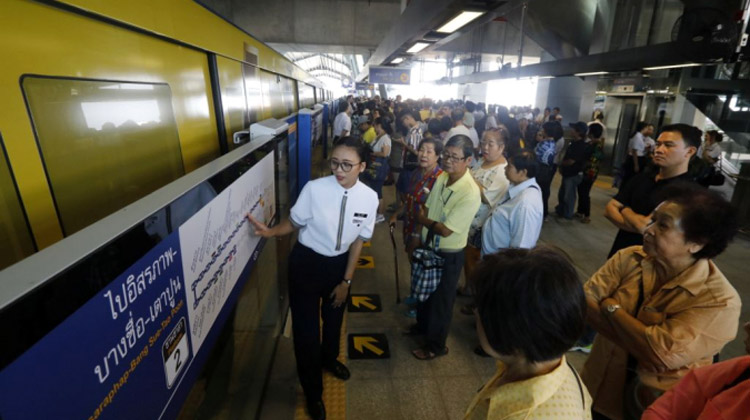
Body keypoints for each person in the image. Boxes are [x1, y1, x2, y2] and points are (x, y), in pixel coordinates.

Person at [581, 184, 741, 420]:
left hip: (654, 406)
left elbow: (662, 356)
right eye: (653, 220)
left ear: (696, 243)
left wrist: (610, 308)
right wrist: (642, 348)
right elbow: (583, 304)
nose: (649, 229)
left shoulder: (719, 302)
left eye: (663, 225)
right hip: (598, 388)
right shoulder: (629, 258)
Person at [247, 137, 378, 420]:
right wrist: (270, 232)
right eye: (334, 163)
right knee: (306, 334)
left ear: (362, 166)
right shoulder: (314, 189)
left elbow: (358, 243)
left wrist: (346, 282)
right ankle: (313, 392)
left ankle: (329, 360)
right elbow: (294, 224)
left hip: (339, 267)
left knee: (333, 322)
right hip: (306, 264)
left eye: (347, 165)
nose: (338, 170)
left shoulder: (370, 197)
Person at [464, 247, 592, 420]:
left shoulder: (527, 415)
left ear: (511, 333)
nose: (476, 312)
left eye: (480, 309)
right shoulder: (548, 366)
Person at [408, 135, 481, 360]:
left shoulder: (469, 192)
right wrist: (419, 235)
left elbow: (445, 230)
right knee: (425, 293)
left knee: (441, 301)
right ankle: (421, 328)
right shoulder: (443, 177)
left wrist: (423, 222)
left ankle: (435, 346)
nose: (448, 161)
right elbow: (429, 208)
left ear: (468, 160)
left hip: (449, 255)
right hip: (430, 246)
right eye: (447, 155)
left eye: (455, 158)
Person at [605, 123, 701, 258]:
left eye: (668, 145)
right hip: (619, 256)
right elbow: (610, 209)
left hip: (651, 263)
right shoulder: (642, 179)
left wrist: (625, 209)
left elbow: (645, 226)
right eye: (658, 144)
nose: (659, 150)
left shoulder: (688, 193)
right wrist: (639, 224)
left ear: (690, 151)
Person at [642, 322, 750, 420]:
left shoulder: (721, 304)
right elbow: (665, 409)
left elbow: (660, 356)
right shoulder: (742, 369)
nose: (746, 326)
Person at [462, 127, 511, 296]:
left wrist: (465, 174)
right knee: (467, 259)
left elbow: (484, 196)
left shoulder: (502, 171)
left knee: (475, 260)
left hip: (481, 224)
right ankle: (469, 287)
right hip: (468, 220)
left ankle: (475, 297)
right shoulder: (482, 162)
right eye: (483, 142)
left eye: (490, 144)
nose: (485, 147)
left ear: (501, 147)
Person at [480, 150, 543, 256]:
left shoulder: (526, 204)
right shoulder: (517, 186)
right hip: (491, 258)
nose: (505, 168)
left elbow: (522, 248)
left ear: (523, 172)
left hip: (500, 264)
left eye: (509, 166)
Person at [390, 138, 444, 254]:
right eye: (421, 150)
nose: (423, 154)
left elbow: (431, 211)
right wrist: (395, 215)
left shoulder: (440, 179)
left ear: (437, 156)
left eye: (429, 151)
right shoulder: (416, 172)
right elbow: (410, 200)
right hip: (409, 225)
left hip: (423, 233)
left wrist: (416, 235)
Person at [555, 122, 591, 220]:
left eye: (573, 129)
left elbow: (571, 161)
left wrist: (560, 163)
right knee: (563, 193)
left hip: (573, 174)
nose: (571, 130)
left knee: (568, 195)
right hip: (568, 173)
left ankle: (567, 214)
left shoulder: (580, 146)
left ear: (578, 132)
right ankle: (561, 210)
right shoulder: (574, 143)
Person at [361, 117, 392, 222]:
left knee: (378, 192)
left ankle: (380, 214)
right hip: (374, 167)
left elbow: (385, 153)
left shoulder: (385, 139)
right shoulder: (379, 136)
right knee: (374, 190)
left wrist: (372, 153)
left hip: (379, 169)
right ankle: (375, 212)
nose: (373, 127)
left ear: (380, 126)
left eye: (375, 125)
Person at [576, 122, 604, 224]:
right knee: (581, 191)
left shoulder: (597, 146)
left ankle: (587, 215)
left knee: (585, 193)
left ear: (591, 133)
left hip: (590, 173)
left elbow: (593, 161)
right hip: (586, 171)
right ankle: (580, 211)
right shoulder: (592, 143)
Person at [534, 121, 563, 220]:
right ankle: (544, 213)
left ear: (546, 131)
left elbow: (536, 156)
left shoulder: (544, 144)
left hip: (540, 170)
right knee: (545, 191)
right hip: (547, 170)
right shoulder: (553, 143)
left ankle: (540, 213)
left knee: (539, 192)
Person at [622, 122, 654, 187]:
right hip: (636, 159)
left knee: (628, 178)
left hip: (633, 158)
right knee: (630, 178)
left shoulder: (637, 136)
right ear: (643, 128)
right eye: (647, 128)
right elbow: (634, 151)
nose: (648, 130)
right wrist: (636, 164)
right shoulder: (638, 136)